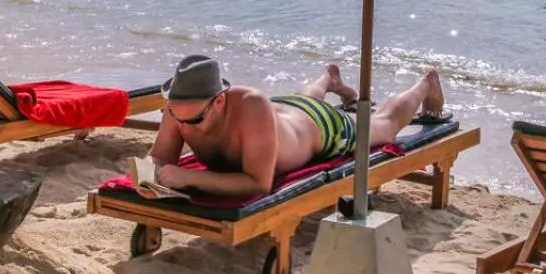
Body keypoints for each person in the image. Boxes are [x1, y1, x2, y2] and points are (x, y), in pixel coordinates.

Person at [144, 54, 447, 199]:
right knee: (301, 99)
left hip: (320, 128)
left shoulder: (251, 105)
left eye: (195, 120)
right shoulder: (182, 104)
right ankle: (330, 80)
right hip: (286, 114)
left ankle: (425, 84)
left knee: (383, 126)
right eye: (176, 116)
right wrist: (146, 172)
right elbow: (160, 155)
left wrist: (188, 178)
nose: (186, 126)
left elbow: (258, 184)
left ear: (220, 102)